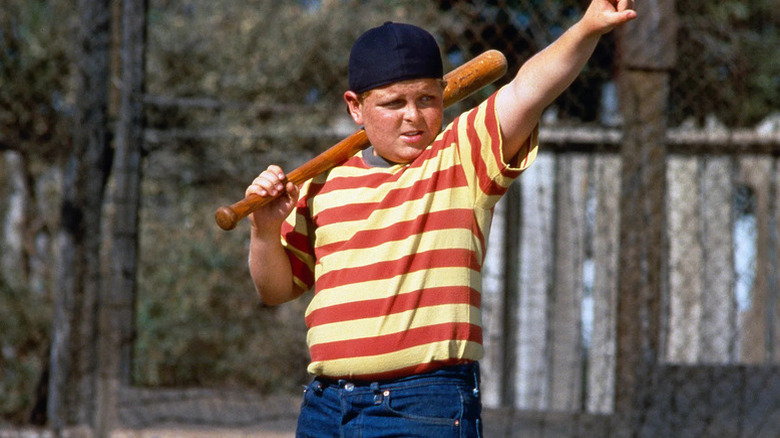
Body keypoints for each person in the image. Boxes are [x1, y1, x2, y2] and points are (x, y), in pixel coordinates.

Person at [245, 1, 636, 436]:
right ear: (355, 107)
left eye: (427, 99)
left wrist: (587, 28)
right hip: (325, 406)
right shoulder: (323, 186)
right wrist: (263, 229)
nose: (413, 116)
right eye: (393, 103)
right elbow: (275, 288)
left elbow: (529, 88)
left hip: (423, 403)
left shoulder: (462, 156)